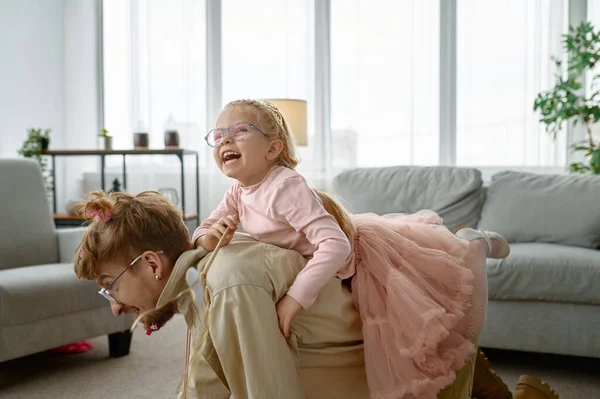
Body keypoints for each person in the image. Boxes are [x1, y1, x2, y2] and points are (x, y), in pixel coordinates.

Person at [75, 190, 559, 399]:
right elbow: (207, 371)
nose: (114, 304)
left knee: (439, 342)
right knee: (457, 353)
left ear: (153, 262)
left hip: (383, 301)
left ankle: (469, 244)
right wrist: (164, 302)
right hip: (348, 293)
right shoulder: (205, 274)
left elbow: (266, 388)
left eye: (111, 286)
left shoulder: (228, 283)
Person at [191, 99, 511, 398]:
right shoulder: (238, 191)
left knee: (463, 303)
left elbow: (335, 245)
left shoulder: (285, 186)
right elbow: (204, 228)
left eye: (239, 131)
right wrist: (208, 236)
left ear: (273, 148)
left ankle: (477, 242)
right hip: (344, 240)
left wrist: (295, 298)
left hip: (363, 255)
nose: (225, 141)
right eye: (218, 135)